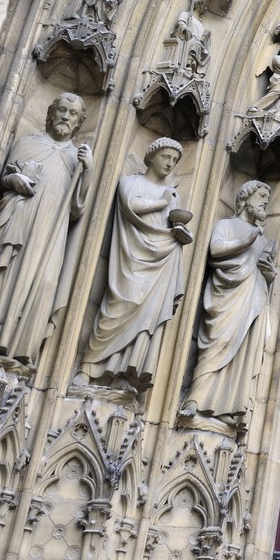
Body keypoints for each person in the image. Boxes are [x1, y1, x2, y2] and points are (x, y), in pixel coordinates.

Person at [0, 94, 91, 363]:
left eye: (72, 113)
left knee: (44, 281)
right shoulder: (28, 144)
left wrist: (89, 170)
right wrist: (12, 178)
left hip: (50, 231)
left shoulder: (77, 158)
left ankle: (19, 343)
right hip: (18, 221)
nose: (65, 116)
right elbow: (4, 178)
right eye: (61, 110)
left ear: (78, 122)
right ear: (50, 114)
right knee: (5, 272)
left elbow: (77, 208)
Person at [81, 138, 194, 387]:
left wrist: (183, 236)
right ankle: (89, 366)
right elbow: (131, 204)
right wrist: (163, 202)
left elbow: (173, 227)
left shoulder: (173, 196)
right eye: (166, 157)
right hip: (130, 258)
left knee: (146, 319)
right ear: (151, 156)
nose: (170, 163)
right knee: (119, 304)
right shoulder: (131, 182)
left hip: (160, 262)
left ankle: (124, 373)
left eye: (175, 161)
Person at [183, 182, 277, 423]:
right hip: (226, 297)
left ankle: (229, 407)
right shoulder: (226, 225)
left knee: (242, 348)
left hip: (251, 297)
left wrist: (270, 274)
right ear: (246, 197)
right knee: (219, 341)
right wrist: (246, 241)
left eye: (268, 197)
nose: (266, 201)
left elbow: (261, 268)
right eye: (262, 195)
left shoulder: (261, 238)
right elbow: (215, 250)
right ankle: (195, 399)